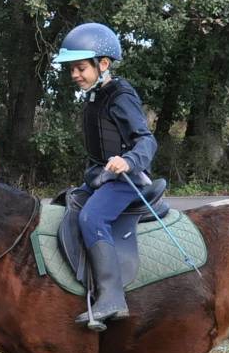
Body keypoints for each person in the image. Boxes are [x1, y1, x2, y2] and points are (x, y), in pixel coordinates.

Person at [52, 22, 158, 329]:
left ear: (103, 64)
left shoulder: (120, 95)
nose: (75, 75)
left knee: (92, 218)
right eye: (71, 69)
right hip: (101, 178)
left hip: (127, 180)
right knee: (63, 206)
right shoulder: (94, 96)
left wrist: (128, 161)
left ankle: (112, 298)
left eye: (80, 68)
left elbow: (146, 140)